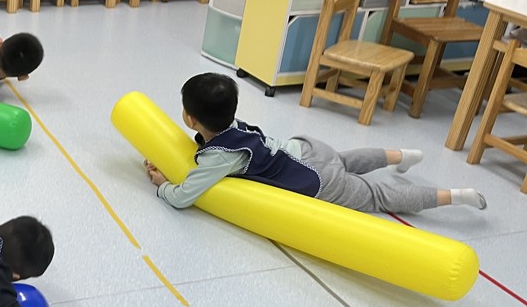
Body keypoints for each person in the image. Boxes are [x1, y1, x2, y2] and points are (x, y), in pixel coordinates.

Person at [145, 72, 488, 214]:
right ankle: (402, 155)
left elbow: (183, 197)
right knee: (345, 158)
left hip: (317, 180)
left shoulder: (219, 158)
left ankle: (456, 196)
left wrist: (163, 186)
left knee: (377, 196)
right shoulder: (233, 124)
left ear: (190, 119)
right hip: (307, 148)